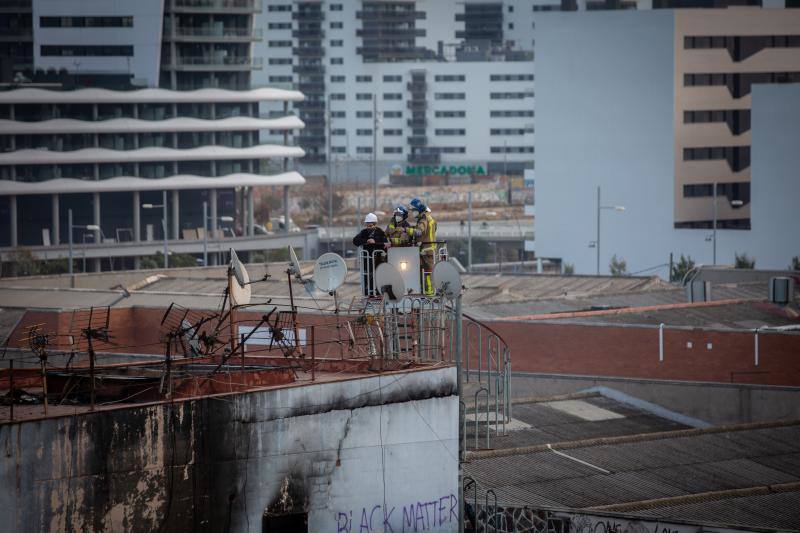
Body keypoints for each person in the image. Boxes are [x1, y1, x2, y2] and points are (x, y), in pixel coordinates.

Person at [352, 212, 388, 296]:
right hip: (367, 261)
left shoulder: (380, 232)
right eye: (367, 225)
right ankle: (368, 293)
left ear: (375, 224)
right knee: (367, 277)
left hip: (378, 260)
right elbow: (355, 241)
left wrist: (375, 242)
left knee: (377, 277)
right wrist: (366, 241)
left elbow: (385, 244)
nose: (368, 227)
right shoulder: (364, 232)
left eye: (370, 225)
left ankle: (378, 293)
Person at [409, 198, 437, 295]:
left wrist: (407, 231)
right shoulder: (431, 219)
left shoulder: (423, 220)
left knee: (426, 273)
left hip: (426, 251)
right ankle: (428, 292)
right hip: (430, 249)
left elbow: (419, 231)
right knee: (428, 272)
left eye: (414, 210)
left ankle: (429, 293)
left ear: (419, 209)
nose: (412, 213)